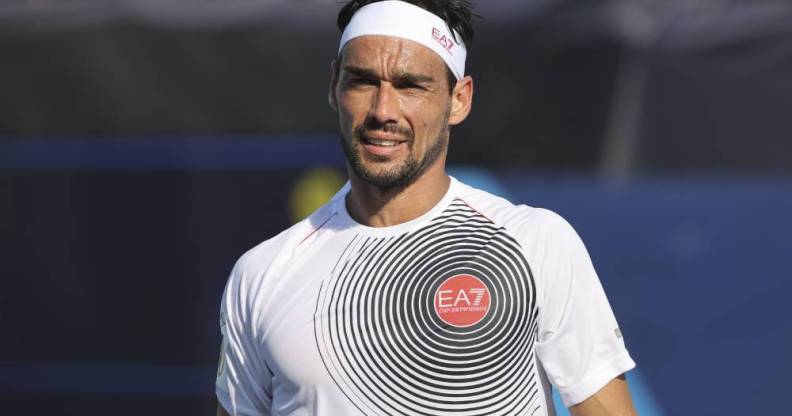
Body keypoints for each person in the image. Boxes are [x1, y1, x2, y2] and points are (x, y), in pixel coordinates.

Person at [216, 1, 637, 415]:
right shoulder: (260, 275)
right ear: (334, 87)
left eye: (410, 86)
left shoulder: (535, 243)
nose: (383, 111)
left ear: (459, 99)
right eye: (363, 81)